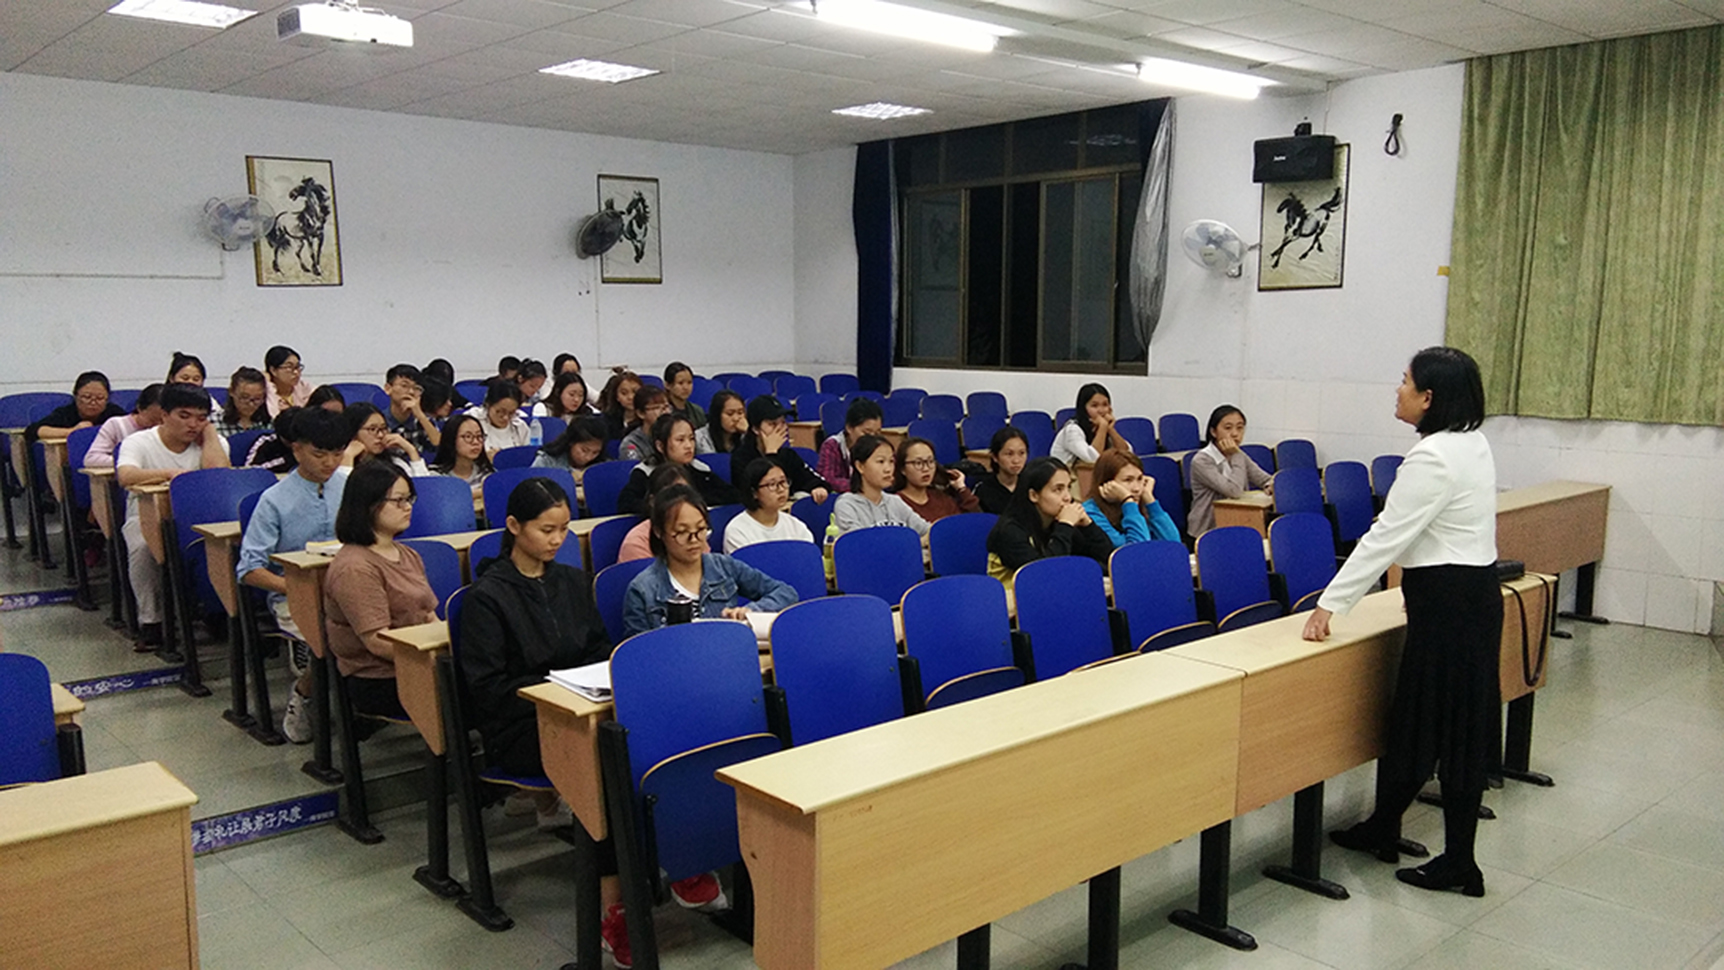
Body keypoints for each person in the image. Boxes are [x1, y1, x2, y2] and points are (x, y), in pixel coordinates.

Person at [1308, 347, 1501, 899]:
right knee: (1422, 719)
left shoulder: (1433, 457)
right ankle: (1382, 827)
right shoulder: (1472, 442)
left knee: (1447, 727)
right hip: (1468, 597)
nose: (1398, 389)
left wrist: (1330, 604)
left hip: (1449, 606)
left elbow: (1386, 537)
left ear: (1428, 398)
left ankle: (1460, 863)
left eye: (1405, 381)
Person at [458, 477, 610, 831]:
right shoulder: (487, 597)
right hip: (521, 727)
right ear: (514, 526)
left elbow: (599, 648)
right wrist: (556, 693)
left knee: (633, 735)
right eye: (546, 530)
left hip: (582, 710)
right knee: (611, 750)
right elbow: (488, 689)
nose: (557, 539)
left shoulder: (573, 581)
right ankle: (607, 848)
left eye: (564, 529)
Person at [236, 408, 351, 742]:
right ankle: (303, 694)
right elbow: (249, 570)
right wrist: (296, 589)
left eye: (338, 453)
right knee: (332, 641)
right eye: (319, 454)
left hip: (349, 590)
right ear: (297, 449)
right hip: (293, 597)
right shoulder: (274, 500)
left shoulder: (350, 487)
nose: (330, 462)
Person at [116, 384, 229, 649]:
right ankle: (151, 621)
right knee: (142, 547)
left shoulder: (212, 443)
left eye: (201, 418)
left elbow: (219, 476)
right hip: (146, 515)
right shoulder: (139, 442)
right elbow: (126, 476)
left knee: (220, 545)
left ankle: (218, 611)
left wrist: (210, 435)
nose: (193, 424)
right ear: (164, 415)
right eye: (184, 416)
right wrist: (169, 474)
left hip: (200, 518)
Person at [323, 461, 433, 726]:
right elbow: (377, 642)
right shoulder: (354, 568)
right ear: (368, 505)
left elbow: (429, 615)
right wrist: (436, 661)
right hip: (379, 678)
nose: (407, 507)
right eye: (398, 500)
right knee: (482, 692)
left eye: (409, 499)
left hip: (418, 662)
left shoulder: (408, 554)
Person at [622, 485, 797, 636]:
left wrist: (751, 611)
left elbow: (786, 593)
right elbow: (639, 651)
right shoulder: (643, 589)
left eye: (700, 529)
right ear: (659, 532)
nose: (694, 540)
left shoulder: (724, 566)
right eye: (682, 532)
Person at [985, 457, 1111, 584]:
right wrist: (1065, 525)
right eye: (1058, 489)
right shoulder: (1009, 531)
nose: (1067, 497)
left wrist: (1088, 525)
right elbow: (1045, 574)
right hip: (1013, 595)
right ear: (1033, 495)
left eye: (1068, 488)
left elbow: (1107, 558)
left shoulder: (1057, 522)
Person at [616, 414, 739, 515]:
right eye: (680, 440)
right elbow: (626, 503)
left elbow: (731, 494)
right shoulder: (645, 472)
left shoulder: (699, 469)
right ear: (660, 446)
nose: (689, 446)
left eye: (691, 439)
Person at [1187, 404, 1274, 537]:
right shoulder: (1202, 460)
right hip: (1207, 529)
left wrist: (1269, 486)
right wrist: (1236, 455)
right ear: (1213, 432)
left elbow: (1265, 479)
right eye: (1228, 428)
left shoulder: (1239, 455)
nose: (1235, 434)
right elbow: (1234, 491)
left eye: (1240, 428)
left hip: (1237, 521)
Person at [727, 396, 830, 502]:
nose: (781, 429)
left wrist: (818, 488)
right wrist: (771, 454)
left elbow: (814, 480)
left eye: (783, 422)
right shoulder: (741, 458)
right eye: (772, 424)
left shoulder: (788, 455)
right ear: (756, 429)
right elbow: (757, 493)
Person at [832, 434, 930, 542]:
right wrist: (917, 543)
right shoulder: (847, 505)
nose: (888, 469)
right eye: (881, 461)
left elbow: (927, 530)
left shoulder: (895, 502)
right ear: (860, 466)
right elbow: (861, 544)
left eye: (891, 461)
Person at [1082, 449, 1179, 547]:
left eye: (1140, 479)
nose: (1137, 488)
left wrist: (1150, 499)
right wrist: (1128, 501)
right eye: (1128, 480)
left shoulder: (1138, 506)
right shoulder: (1090, 512)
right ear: (1106, 483)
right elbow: (1136, 550)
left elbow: (1174, 544)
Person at [724, 458, 815, 553]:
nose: (781, 489)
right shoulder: (737, 531)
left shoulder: (795, 526)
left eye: (783, 482)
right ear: (754, 492)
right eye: (772, 484)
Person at [617, 464, 699, 563]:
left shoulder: (696, 533)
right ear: (652, 501)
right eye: (671, 497)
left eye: (686, 495)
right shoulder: (637, 543)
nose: (682, 503)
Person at [892, 435, 978, 525]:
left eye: (930, 461)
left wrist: (961, 488)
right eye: (918, 463)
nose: (926, 468)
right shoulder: (896, 503)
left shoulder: (941, 498)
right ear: (902, 469)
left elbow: (971, 521)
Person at [28, 371, 123, 445]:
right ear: (75, 396)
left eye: (100, 398)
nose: (93, 403)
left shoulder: (114, 413)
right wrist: (73, 432)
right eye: (87, 397)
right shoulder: (66, 413)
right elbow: (34, 430)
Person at [85, 383, 164, 468]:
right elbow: (91, 459)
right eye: (152, 420)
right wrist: (127, 461)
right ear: (139, 408)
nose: (157, 426)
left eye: (163, 421)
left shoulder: (171, 428)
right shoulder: (116, 425)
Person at [1051, 382, 1130, 467]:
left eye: (1105, 405)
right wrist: (1103, 427)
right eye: (1094, 406)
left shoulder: (1101, 427)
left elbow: (1127, 455)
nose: (1101, 410)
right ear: (1083, 408)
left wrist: (1110, 430)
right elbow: (1092, 459)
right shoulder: (1072, 430)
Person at [815, 397, 883, 495]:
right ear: (849, 428)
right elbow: (827, 479)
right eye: (867, 433)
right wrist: (861, 486)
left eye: (877, 433)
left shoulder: (880, 446)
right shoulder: (832, 445)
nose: (872, 438)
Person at [343, 402, 430, 476]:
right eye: (372, 429)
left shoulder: (395, 463)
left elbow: (424, 487)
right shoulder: (338, 462)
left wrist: (411, 451)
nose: (380, 435)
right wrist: (348, 457)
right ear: (353, 431)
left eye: (384, 428)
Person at [427, 413, 493, 498]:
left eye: (479, 436)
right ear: (451, 439)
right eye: (468, 437)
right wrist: (481, 492)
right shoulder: (436, 476)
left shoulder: (486, 474)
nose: (476, 442)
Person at [382, 363, 440, 453]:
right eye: (404, 386)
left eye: (416, 388)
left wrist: (420, 415)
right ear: (388, 389)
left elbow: (441, 446)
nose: (411, 392)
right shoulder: (379, 421)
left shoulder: (424, 420)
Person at [532, 415, 608, 481]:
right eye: (584, 450)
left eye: (595, 452)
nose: (588, 457)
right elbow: (531, 487)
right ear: (571, 442)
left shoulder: (604, 466)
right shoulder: (547, 461)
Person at [974, 426, 1028, 515]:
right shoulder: (984, 490)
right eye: (1009, 454)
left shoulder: (1031, 485)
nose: (1016, 461)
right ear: (995, 457)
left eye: (1022, 453)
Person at [467, 381, 529, 456]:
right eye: (500, 412)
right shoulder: (471, 421)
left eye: (511, 413)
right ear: (488, 405)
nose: (506, 417)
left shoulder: (520, 427)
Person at [213, 366, 271, 437]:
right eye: (245, 397)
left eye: (257, 399)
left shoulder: (268, 423)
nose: (251, 404)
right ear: (231, 392)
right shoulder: (214, 422)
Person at [617, 385, 671, 461]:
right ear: (641, 413)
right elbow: (634, 467)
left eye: (666, 406)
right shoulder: (632, 443)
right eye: (656, 407)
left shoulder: (675, 436)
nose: (665, 412)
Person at [694, 390, 747, 454]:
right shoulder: (699, 438)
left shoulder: (745, 435)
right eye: (730, 414)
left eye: (740, 413)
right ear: (717, 415)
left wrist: (748, 433)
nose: (736, 418)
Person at [596, 368, 642, 441]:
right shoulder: (607, 421)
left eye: (635, 392)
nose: (630, 397)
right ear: (617, 397)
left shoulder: (648, 420)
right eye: (624, 393)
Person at [264, 345, 311, 415]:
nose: (296, 372)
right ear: (273, 370)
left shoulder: (304, 388)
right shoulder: (264, 393)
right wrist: (268, 384)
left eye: (297, 367)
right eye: (289, 367)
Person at [663, 361, 707, 430]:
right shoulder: (663, 411)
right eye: (680, 383)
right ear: (667, 385)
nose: (686, 387)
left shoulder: (697, 411)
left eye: (689, 382)